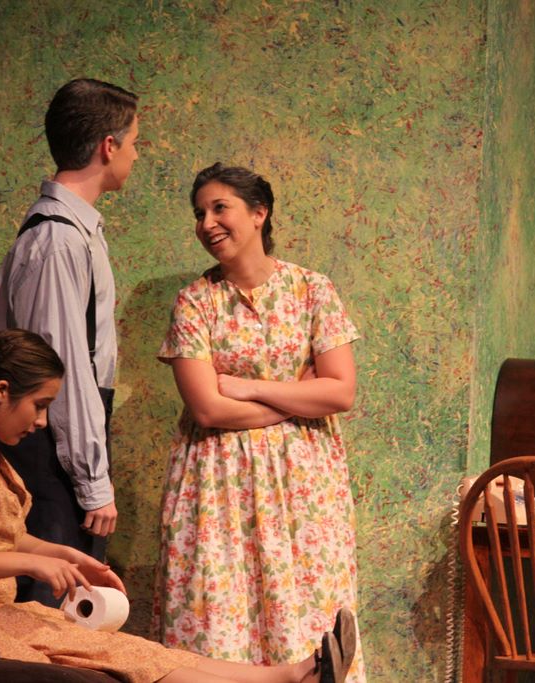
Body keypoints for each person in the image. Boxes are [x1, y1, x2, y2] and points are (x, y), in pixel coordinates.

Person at [0, 328, 355, 683]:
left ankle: (290, 674)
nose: (41, 421)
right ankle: (289, 679)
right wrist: (33, 565)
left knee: (139, 651)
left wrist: (67, 556)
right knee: (121, 658)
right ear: (2, 392)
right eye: (40, 405)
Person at [154, 163, 366, 682]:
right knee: (217, 619)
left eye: (219, 208)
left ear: (258, 213)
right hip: (215, 486)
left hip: (303, 488)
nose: (207, 223)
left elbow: (340, 392)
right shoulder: (195, 302)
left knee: (305, 617)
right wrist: (297, 397)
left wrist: (248, 387)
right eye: (199, 213)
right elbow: (208, 409)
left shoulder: (312, 290)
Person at [0, 78, 134, 604]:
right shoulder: (58, 240)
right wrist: (92, 480)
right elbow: (62, 369)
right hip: (50, 447)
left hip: (62, 440)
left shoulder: (74, 232)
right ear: (108, 146)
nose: (136, 155)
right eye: (134, 142)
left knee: (71, 606)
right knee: (51, 604)